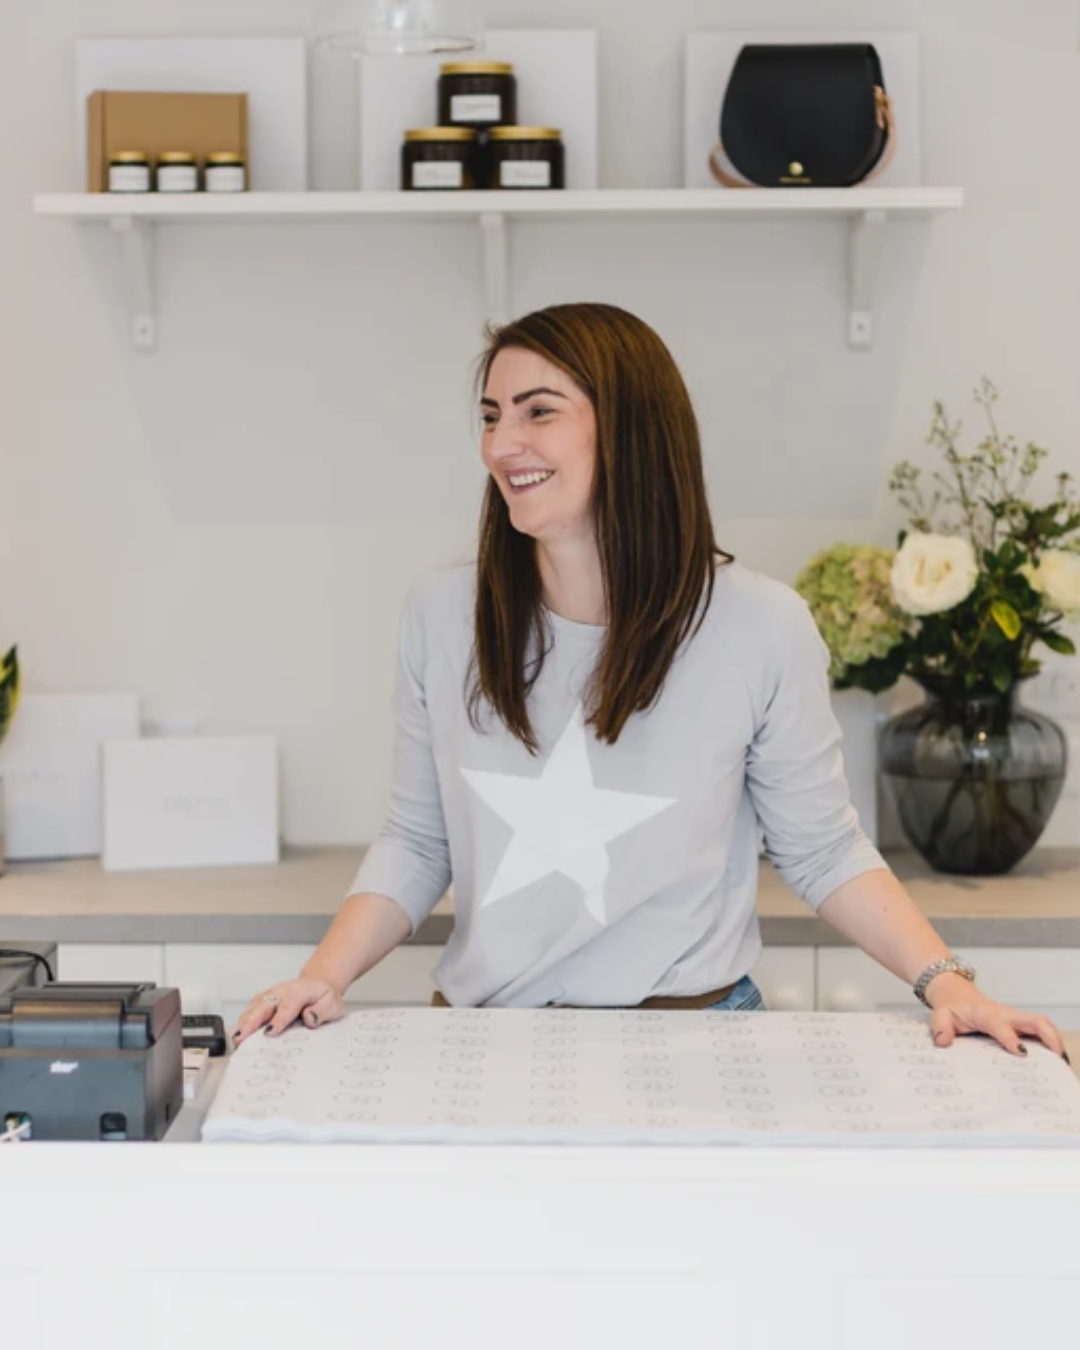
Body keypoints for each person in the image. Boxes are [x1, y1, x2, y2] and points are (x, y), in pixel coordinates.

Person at [234, 303, 1066, 1063]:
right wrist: (324, 974)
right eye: (490, 416)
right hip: (486, 1036)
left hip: (695, 1036)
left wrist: (950, 983)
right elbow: (419, 841)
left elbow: (822, 849)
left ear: (630, 429)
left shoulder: (759, 626)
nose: (499, 444)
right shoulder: (441, 614)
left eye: (538, 411)